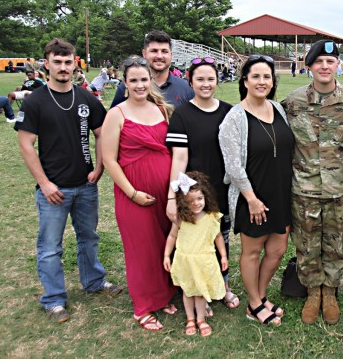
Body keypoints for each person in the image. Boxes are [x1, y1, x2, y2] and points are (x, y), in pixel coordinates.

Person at [15, 38, 121, 324]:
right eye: (57, 62)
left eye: (68, 62)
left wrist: (99, 168)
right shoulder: (36, 100)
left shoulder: (86, 98)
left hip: (85, 185)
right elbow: (26, 144)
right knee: (50, 246)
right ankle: (54, 299)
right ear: (45, 64)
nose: (63, 67)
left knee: (89, 237)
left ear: (75, 64)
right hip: (53, 189)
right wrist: (45, 183)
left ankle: (94, 282)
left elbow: (102, 134)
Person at [282, 40, 343, 325]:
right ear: (310, 66)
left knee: (338, 242)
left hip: (341, 186)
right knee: (306, 242)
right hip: (304, 187)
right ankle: (313, 290)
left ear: (338, 64)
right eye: (319, 62)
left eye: (331, 61)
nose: (325, 66)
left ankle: (330, 291)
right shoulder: (293, 102)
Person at [101, 55, 177, 332]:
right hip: (134, 194)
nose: (139, 85)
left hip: (165, 193)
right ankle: (143, 307)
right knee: (141, 250)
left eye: (144, 79)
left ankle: (163, 295)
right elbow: (109, 159)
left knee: (163, 245)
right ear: (124, 83)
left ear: (151, 80)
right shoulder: (116, 114)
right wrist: (132, 193)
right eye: (133, 80)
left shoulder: (161, 109)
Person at [218, 55, 293, 327]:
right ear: (245, 81)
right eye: (256, 76)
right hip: (252, 197)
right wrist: (251, 199)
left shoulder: (277, 108)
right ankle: (254, 303)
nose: (262, 82)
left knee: (277, 249)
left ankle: (260, 296)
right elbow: (233, 165)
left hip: (281, 193)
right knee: (252, 251)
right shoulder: (234, 118)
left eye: (267, 77)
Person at [165, 57, 238, 310]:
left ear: (217, 81)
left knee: (220, 241)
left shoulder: (229, 111)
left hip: (222, 190)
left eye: (210, 79)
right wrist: (172, 197)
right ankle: (199, 294)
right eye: (200, 79)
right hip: (192, 195)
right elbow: (180, 158)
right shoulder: (182, 115)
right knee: (195, 245)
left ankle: (223, 287)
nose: (206, 84)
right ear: (190, 81)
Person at [164, 172, 227, 337]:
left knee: (200, 292)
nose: (196, 203)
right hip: (185, 261)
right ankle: (190, 318)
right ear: (183, 203)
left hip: (204, 261)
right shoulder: (181, 219)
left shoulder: (212, 218)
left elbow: (218, 236)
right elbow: (172, 236)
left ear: (205, 196)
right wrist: (166, 255)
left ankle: (200, 319)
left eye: (199, 198)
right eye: (190, 201)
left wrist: (224, 256)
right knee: (188, 291)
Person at [110, 30, 194, 108]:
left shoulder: (186, 89)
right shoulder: (128, 87)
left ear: (171, 55)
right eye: (154, 51)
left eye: (164, 51)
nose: (159, 56)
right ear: (144, 53)